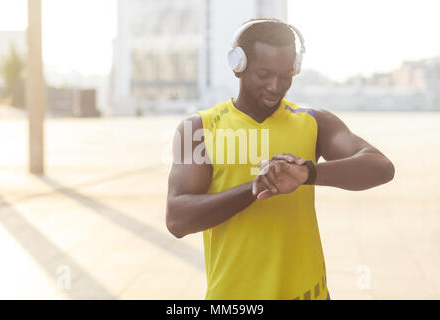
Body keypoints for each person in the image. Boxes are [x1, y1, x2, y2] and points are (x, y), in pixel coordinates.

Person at [165, 18, 395, 300]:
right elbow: (177, 220)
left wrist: (308, 173)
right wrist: (255, 189)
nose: (276, 86)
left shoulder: (314, 122)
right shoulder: (200, 128)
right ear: (239, 65)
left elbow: (381, 167)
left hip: (307, 294)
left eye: (286, 75)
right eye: (264, 74)